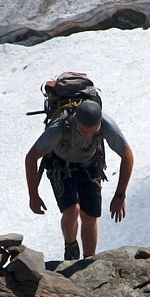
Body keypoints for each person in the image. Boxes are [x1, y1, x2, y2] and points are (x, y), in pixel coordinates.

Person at [24, 99, 134, 260]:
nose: (88, 136)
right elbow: (31, 157)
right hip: (60, 165)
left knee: (90, 216)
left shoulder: (107, 125)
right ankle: (71, 248)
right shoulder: (59, 127)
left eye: (93, 132)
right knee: (72, 210)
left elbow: (127, 156)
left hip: (90, 165)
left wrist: (120, 196)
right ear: (76, 120)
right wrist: (33, 195)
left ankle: (89, 261)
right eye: (83, 132)